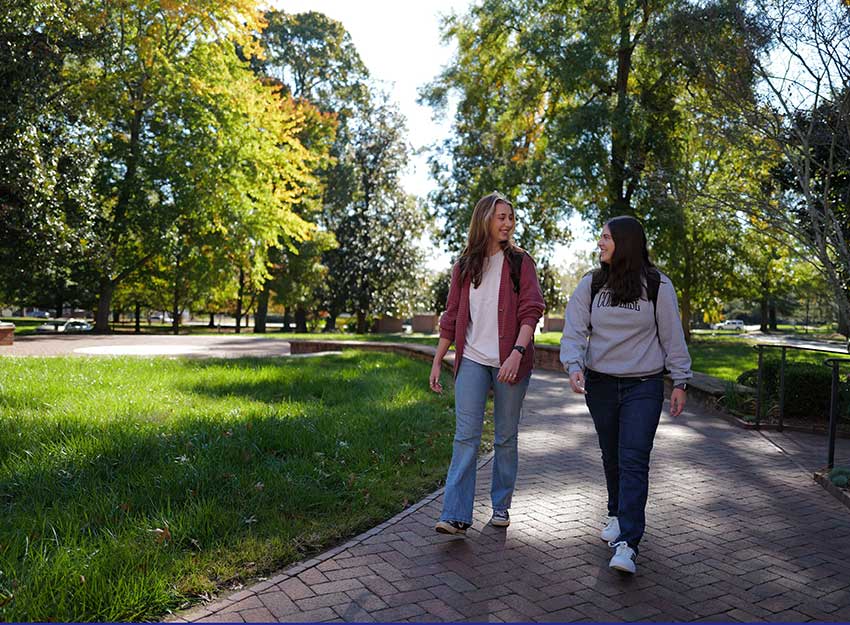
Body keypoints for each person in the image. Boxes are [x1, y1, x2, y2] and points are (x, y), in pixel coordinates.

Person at [560, 215, 692, 574]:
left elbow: (672, 337)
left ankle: (628, 544)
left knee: (633, 458)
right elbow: (574, 330)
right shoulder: (592, 283)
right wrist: (573, 365)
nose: (599, 243)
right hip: (601, 384)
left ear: (625, 242)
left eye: (606, 237)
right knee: (612, 455)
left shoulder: (657, 285)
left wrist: (680, 381)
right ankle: (616, 513)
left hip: (643, 385)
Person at [429, 191, 545, 536]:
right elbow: (451, 317)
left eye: (511, 217)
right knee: (465, 437)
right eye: (501, 217)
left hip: (511, 361)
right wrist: (438, 359)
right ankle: (455, 514)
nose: (508, 223)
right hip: (473, 360)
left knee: (505, 437)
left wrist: (517, 353)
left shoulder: (521, 263)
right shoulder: (464, 266)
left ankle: (500, 506)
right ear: (485, 220)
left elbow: (532, 310)